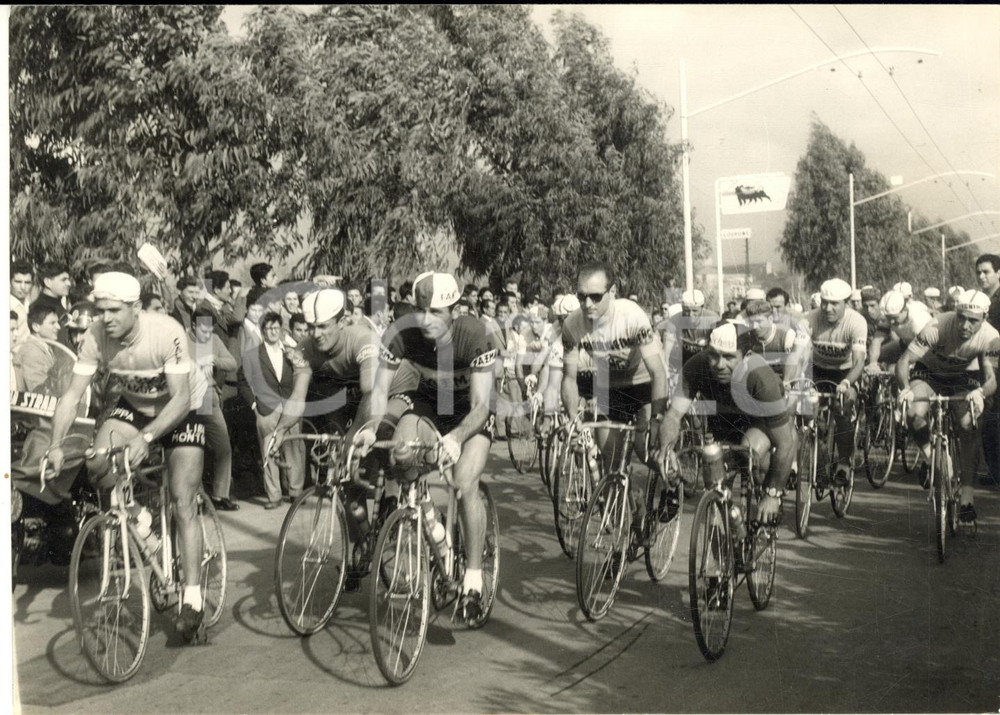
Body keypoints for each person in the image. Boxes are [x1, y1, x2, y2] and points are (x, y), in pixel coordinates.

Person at [46, 272, 211, 643]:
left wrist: (147, 437)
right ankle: (141, 522)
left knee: (183, 499)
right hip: (136, 405)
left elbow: (180, 398)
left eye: (114, 311)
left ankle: (192, 597)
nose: (105, 318)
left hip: (183, 407)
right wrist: (55, 445)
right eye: (100, 310)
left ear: (136, 307)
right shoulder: (95, 337)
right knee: (97, 462)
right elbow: (71, 396)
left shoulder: (166, 331)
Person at [356, 272, 497, 624]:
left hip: (469, 414)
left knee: (464, 484)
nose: (426, 320)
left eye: (436, 312)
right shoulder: (402, 332)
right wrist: (370, 428)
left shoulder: (475, 334)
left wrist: (456, 438)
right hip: (431, 405)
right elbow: (378, 391)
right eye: (420, 310)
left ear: (455, 310)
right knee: (400, 452)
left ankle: (473, 581)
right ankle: (433, 527)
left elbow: (481, 406)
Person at [661, 322, 794, 523]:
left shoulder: (760, 377)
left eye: (729, 357)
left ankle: (764, 506)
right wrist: (667, 450)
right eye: (713, 355)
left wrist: (773, 494)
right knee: (715, 481)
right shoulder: (696, 366)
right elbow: (673, 416)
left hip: (758, 424)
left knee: (751, 452)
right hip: (723, 424)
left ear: (746, 356)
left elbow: (786, 442)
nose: (719, 364)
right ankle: (730, 526)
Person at [560, 261, 671, 475]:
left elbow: (658, 372)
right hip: (609, 388)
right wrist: (573, 419)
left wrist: (657, 419)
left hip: (643, 384)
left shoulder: (632, 316)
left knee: (645, 450)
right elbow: (569, 379)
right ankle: (623, 492)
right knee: (610, 461)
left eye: (595, 297)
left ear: (612, 292)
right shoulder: (571, 325)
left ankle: (672, 481)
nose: (587, 304)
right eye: (581, 296)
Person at [896, 290, 999, 520]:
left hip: (964, 376)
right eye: (960, 317)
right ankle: (930, 456)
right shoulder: (937, 326)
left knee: (968, 423)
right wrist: (905, 388)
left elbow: (992, 378)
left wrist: (981, 393)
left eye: (973, 321)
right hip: (929, 372)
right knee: (913, 413)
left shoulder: (991, 336)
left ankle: (967, 497)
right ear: (955, 312)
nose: (964, 325)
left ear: (984, 318)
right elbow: (904, 360)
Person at [794, 278, 867, 488]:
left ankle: (843, 464)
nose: (827, 308)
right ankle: (818, 455)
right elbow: (797, 356)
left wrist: (846, 383)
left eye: (834, 304)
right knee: (804, 410)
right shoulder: (809, 319)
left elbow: (859, 362)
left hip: (846, 372)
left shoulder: (856, 322)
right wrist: (793, 380)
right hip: (818, 370)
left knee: (843, 408)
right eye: (825, 302)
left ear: (846, 303)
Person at [240, 311, 305, 509]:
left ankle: (296, 492)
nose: (273, 332)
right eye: (269, 328)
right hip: (266, 408)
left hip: (290, 406)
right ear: (263, 331)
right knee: (268, 451)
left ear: (281, 330)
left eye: (277, 328)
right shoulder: (252, 355)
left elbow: (302, 374)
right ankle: (274, 495)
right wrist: (254, 405)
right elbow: (243, 381)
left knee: (294, 448)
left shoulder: (290, 352)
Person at [189, 307, 240, 511]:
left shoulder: (214, 340)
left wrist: (214, 359)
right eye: (203, 329)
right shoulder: (183, 340)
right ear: (193, 326)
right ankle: (196, 498)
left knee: (223, 447)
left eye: (210, 329)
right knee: (194, 450)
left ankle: (220, 495)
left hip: (209, 397)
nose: (208, 333)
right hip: (189, 398)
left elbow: (233, 363)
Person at [975, 254, 1000, 486]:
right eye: (979, 272)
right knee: (989, 419)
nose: (981, 276)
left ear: (998, 273)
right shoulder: (979, 300)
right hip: (987, 364)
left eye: (986, 272)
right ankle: (994, 472)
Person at [866, 290, 932, 370]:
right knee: (872, 357)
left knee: (894, 369)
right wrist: (872, 364)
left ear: (904, 310)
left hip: (924, 349)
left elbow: (928, 351)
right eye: (889, 318)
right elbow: (876, 340)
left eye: (894, 318)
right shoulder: (889, 315)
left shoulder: (918, 321)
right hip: (905, 343)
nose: (891, 322)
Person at [12, 303, 63, 393]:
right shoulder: (32, 352)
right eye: (52, 323)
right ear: (36, 327)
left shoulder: (43, 347)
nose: (58, 327)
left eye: (57, 322)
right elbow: (39, 392)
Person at [10, 260, 33, 346]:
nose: (23, 287)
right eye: (18, 282)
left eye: (27, 282)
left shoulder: (31, 305)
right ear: (9, 282)